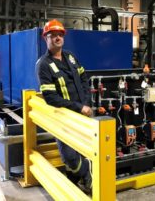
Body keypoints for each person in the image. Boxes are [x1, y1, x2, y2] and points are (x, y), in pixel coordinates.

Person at [36, 19, 93, 192]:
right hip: (63, 119)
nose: (57, 37)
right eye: (52, 35)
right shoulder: (43, 65)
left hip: (83, 114)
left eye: (60, 34)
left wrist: (86, 103)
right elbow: (50, 97)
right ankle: (87, 175)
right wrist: (78, 107)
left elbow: (84, 79)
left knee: (85, 149)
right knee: (69, 157)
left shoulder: (71, 57)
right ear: (45, 38)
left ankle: (74, 180)